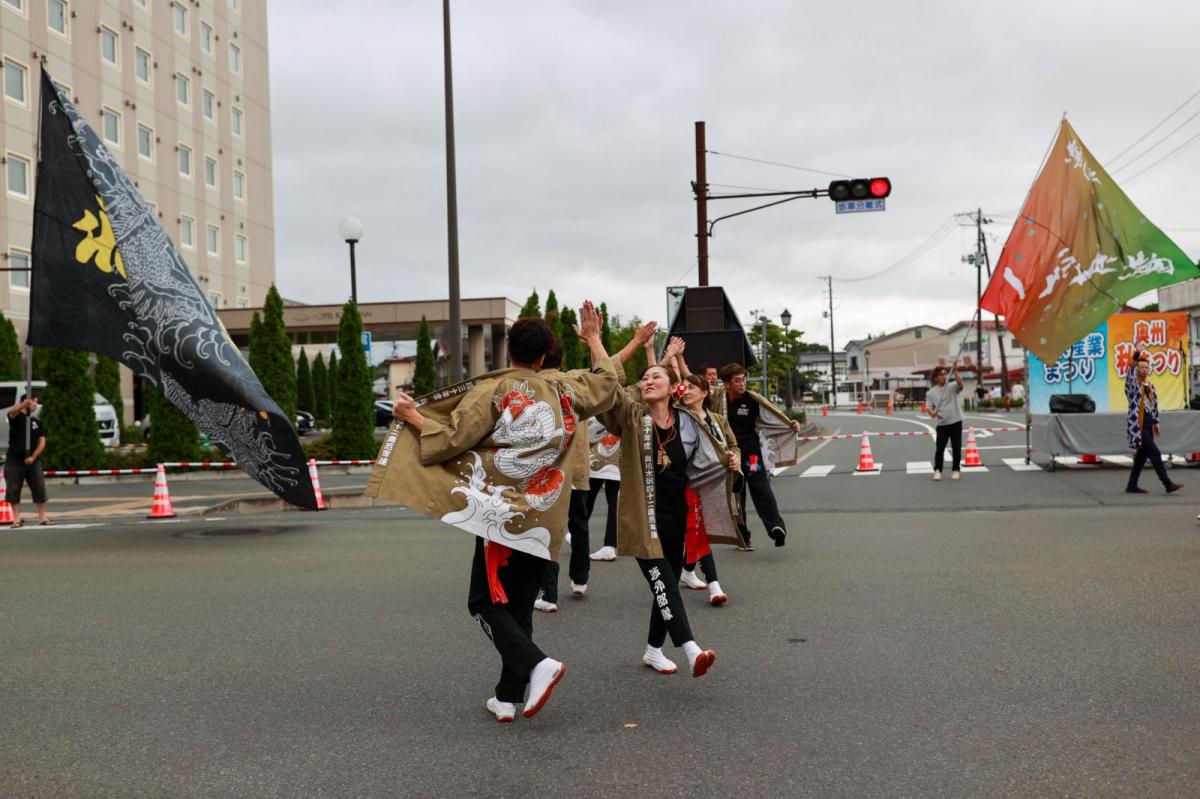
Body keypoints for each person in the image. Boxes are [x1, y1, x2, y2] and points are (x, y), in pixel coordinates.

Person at [383, 303, 619, 723]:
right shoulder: (566, 389)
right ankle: (507, 698)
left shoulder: (493, 390)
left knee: (485, 602)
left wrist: (412, 415)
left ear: (507, 351)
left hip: (500, 513)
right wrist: (594, 338)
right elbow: (606, 382)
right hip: (546, 515)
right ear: (545, 357)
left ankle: (537, 664)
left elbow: (454, 436)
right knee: (519, 605)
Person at [597, 358, 740, 677]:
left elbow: (713, 456)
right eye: (645, 377)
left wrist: (730, 461)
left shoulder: (687, 423)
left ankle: (652, 650)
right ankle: (691, 649)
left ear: (672, 387)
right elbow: (608, 393)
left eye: (656, 376)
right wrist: (596, 341)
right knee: (665, 584)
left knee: (667, 585)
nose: (648, 380)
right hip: (642, 522)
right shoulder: (633, 418)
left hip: (676, 519)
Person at [716, 363, 801, 550]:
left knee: (761, 487)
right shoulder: (717, 399)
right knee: (736, 494)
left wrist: (790, 424)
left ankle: (776, 528)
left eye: (743, 379)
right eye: (737, 381)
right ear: (727, 384)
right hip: (729, 455)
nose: (742, 384)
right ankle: (743, 537)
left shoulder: (752, 400)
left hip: (750, 452)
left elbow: (771, 419)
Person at [676, 372, 737, 605]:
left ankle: (687, 568)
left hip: (714, 482)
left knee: (697, 528)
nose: (687, 390)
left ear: (704, 392)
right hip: (687, 481)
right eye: (684, 386)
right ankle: (714, 585)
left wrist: (735, 458)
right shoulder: (678, 417)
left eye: (693, 387)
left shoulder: (718, 419)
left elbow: (732, 445)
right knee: (698, 528)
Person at [1125, 349, 1183, 495]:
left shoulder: (1149, 386)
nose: (1144, 369)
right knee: (1155, 453)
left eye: (1146, 367)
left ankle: (1131, 485)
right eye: (1141, 367)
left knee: (1141, 457)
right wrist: (1136, 353)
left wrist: (1156, 422)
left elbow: (1154, 406)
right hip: (1138, 426)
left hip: (1148, 425)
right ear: (1137, 369)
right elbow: (1130, 368)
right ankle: (1167, 484)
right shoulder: (1133, 385)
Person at [5, 396, 51, 527]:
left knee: (39, 488)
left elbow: (42, 441)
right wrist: (22, 405)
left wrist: (33, 457)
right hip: (14, 459)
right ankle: (16, 519)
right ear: (25, 402)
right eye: (33, 401)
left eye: (36, 401)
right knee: (13, 489)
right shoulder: (16, 418)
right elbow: (12, 412)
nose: (36, 404)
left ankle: (43, 517)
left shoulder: (37, 421)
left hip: (33, 460)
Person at [585, 418, 621, 562]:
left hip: (596, 459)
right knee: (613, 505)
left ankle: (578, 535)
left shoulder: (600, 400)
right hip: (617, 459)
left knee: (586, 501)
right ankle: (610, 545)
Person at [927, 364, 964, 480]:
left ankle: (956, 470)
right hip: (942, 424)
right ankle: (938, 470)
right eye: (941, 374)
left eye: (945, 374)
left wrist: (956, 371)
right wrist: (932, 412)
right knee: (940, 449)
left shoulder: (952, 386)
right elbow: (929, 407)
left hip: (956, 420)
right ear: (936, 377)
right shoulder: (931, 393)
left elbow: (961, 385)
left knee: (956, 447)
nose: (944, 376)